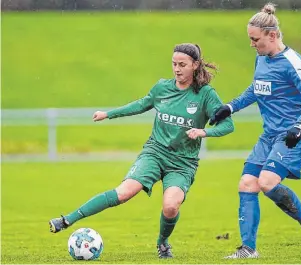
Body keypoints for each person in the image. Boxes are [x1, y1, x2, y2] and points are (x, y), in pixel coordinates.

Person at [49, 43, 234, 259]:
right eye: (174, 64)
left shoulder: (205, 94)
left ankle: (162, 243)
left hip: (183, 162)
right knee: (124, 192)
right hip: (155, 153)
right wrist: (108, 114)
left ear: (195, 65)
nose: (176, 69)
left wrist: (204, 133)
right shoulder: (162, 88)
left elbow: (228, 125)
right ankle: (66, 220)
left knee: (171, 206)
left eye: (182, 64)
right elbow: (139, 105)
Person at [209, 3, 301, 259]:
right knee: (247, 183)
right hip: (269, 136)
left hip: (293, 137)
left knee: (267, 182)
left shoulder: (293, 62)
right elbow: (256, 88)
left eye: (255, 39)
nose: (252, 44)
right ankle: (248, 249)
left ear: (272, 35)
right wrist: (230, 107)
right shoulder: (261, 57)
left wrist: (299, 126)